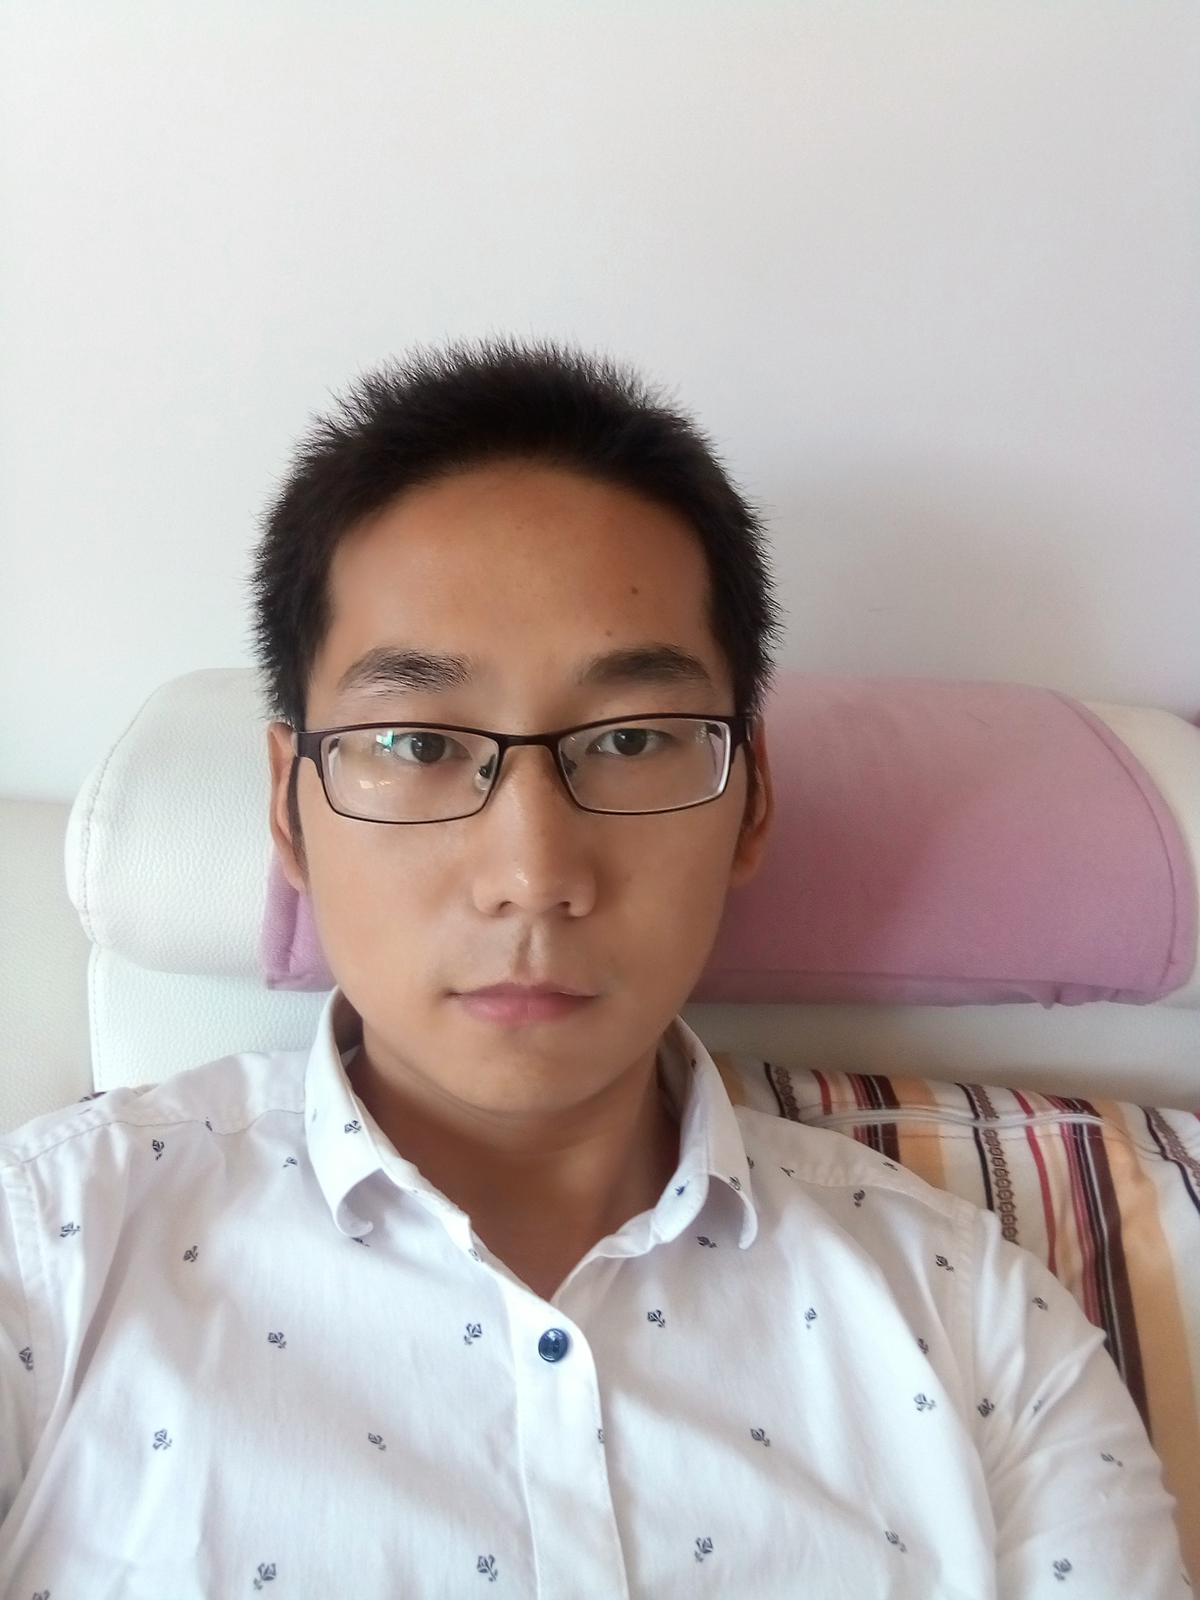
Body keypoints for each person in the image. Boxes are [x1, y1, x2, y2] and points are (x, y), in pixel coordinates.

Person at [0, 337, 1188, 1597]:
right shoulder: (53, 1248)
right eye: (418, 742)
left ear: (752, 800)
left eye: (629, 740)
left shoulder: (983, 1330)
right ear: (289, 812)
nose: (532, 872)